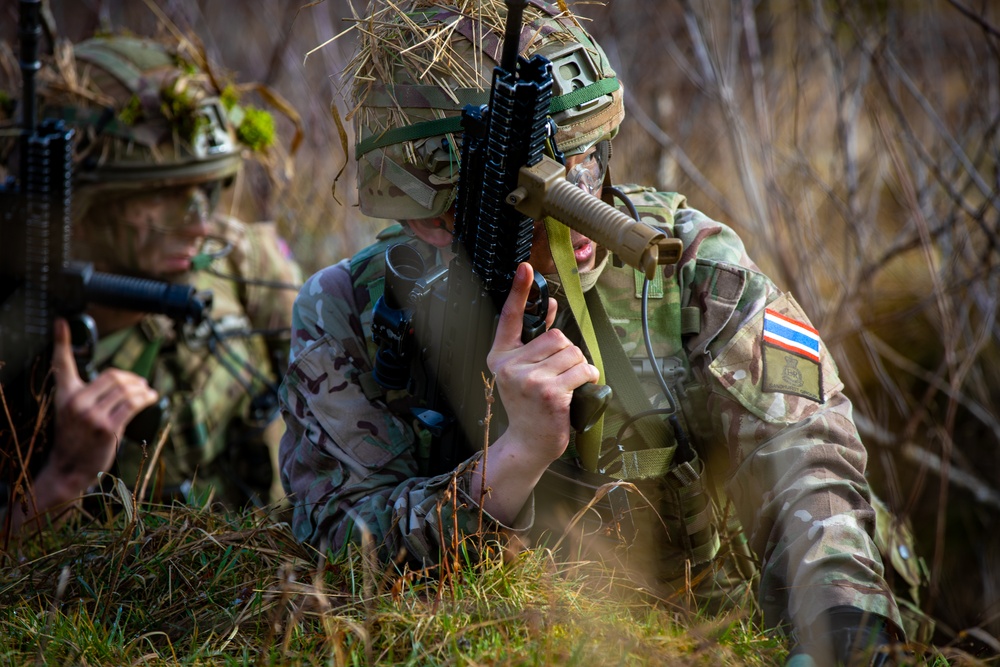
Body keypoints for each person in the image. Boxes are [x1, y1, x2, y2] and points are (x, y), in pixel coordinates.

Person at [279, 1, 908, 664]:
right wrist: (508, 465)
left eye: (586, 162)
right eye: (536, 193)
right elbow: (336, 552)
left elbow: (809, 454)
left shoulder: (689, 266)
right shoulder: (349, 309)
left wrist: (839, 634)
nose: (579, 209)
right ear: (426, 221)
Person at [0, 32, 301, 533]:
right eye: (165, 195)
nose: (200, 224)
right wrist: (65, 478)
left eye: (205, 191)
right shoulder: (15, 338)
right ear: (84, 208)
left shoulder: (244, 262)